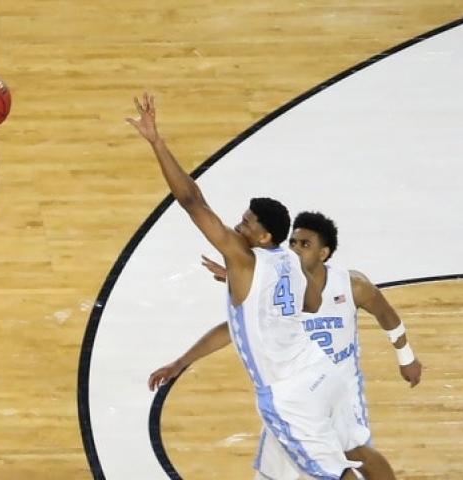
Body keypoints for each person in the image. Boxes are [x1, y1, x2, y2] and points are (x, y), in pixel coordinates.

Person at [129, 93, 363, 480]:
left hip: (291, 396)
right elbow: (254, 323)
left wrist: (157, 142)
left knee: (333, 474)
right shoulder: (292, 260)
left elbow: (192, 201)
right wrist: (182, 361)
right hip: (321, 372)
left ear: (264, 236)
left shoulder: (243, 260)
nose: (238, 227)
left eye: (247, 223)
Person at [194, 211, 423, 479]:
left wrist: (406, 357)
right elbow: (241, 325)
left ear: (323, 253)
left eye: (305, 244)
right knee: (282, 470)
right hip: (299, 388)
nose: (296, 249)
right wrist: (244, 280)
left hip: (339, 386)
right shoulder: (282, 284)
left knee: (353, 455)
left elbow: (386, 315)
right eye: (293, 242)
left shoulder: (352, 285)